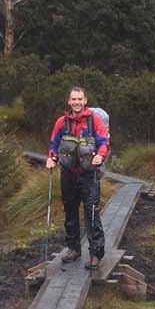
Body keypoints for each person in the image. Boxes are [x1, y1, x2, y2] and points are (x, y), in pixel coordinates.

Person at [45, 86, 109, 268]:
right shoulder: (61, 122)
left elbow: (104, 142)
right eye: (73, 99)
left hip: (89, 175)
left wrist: (100, 156)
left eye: (80, 99)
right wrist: (52, 158)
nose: (77, 102)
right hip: (68, 174)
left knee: (92, 212)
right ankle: (73, 249)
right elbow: (54, 144)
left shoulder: (94, 120)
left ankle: (96, 253)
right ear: (69, 101)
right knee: (70, 211)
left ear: (85, 101)